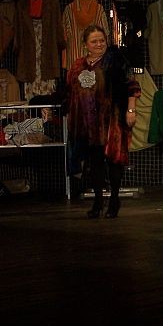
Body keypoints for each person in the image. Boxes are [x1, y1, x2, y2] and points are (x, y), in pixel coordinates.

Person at [65, 24, 141, 219]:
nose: (99, 44)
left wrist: (131, 110)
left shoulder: (116, 61)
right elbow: (70, 91)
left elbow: (132, 86)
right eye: (94, 41)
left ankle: (114, 200)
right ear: (85, 44)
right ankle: (98, 201)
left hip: (112, 118)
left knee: (114, 159)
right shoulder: (77, 66)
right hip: (88, 122)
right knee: (94, 162)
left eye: (102, 40)